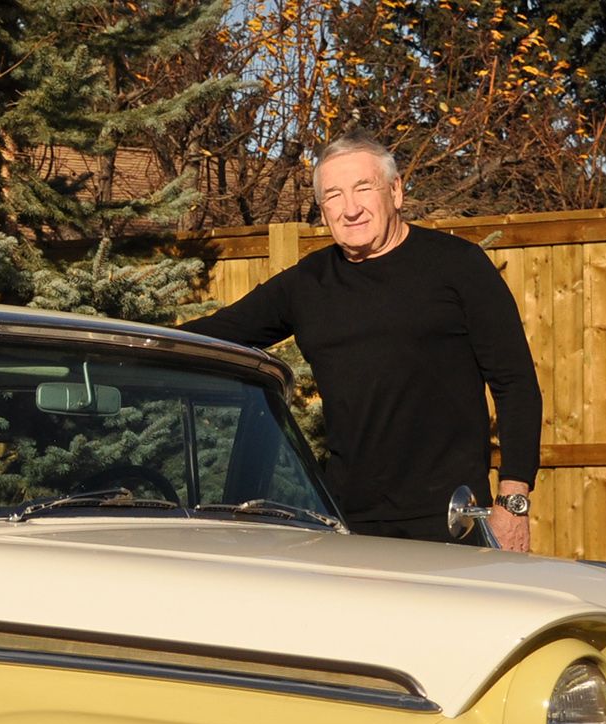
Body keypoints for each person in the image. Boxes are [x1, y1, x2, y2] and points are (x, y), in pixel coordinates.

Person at [181, 133, 541, 551]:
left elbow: (515, 384)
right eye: (333, 195)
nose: (350, 209)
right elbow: (216, 333)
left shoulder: (458, 267)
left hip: (450, 518)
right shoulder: (308, 284)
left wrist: (513, 503)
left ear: (396, 191)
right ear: (322, 209)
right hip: (348, 523)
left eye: (363, 189)